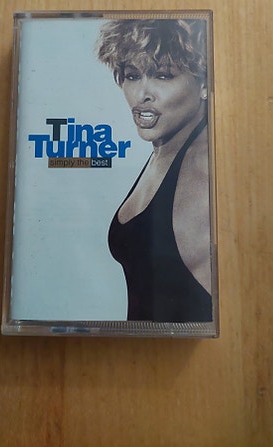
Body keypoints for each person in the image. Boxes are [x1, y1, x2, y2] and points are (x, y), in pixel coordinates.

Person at [97, 19, 212, 322]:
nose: (142, 94)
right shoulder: (167, 148)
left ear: (204, 84)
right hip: (145, 348)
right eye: (132, 75)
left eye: (163, 75)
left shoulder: (203, 171)